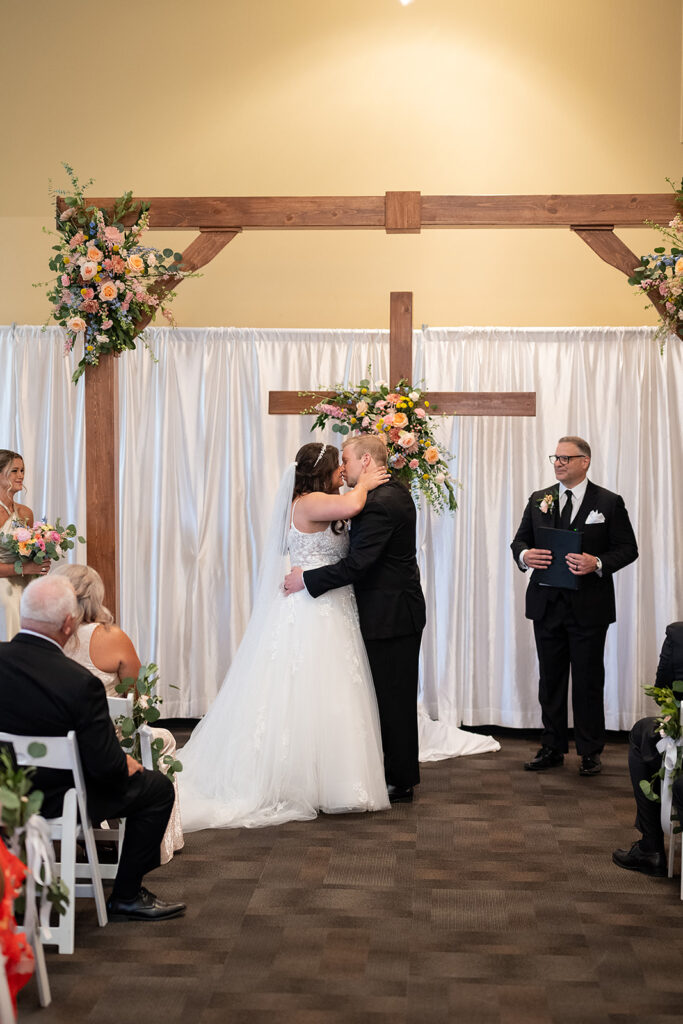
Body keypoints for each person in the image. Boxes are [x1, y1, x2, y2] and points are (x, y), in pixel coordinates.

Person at [178, 442, 391, 831]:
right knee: (305, 688)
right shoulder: (308, 502)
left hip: (332, 603)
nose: (343, 472)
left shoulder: (322, 498)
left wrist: (354, 484)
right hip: (311, 609)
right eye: (338, 466)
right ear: (322, 471)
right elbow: (352, 507)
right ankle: (298, 779)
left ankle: (333, 777)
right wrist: (366, 482)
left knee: (333, 691)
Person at [0, 575, 185, 922]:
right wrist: (124, 764)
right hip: (59, 796)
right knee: (157, 789)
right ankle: (127, 896)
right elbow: (105, 768)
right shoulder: (78, 683)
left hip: (7, 791)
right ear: (68, 624)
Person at [284, 434, 426, 804]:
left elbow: (359, 564)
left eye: (346, 459)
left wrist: (307, 579)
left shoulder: (380, 502)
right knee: (377, 695)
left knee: (393, 697)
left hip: (391, 614)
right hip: (378, 610)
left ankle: (400, 778)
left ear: (365, 461)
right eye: (338, 463)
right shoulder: (377, 494)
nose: (342, 467)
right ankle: (385, 769)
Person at [511, 435, 638, 776]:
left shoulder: (608, 503)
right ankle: (552, 746)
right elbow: (519, 540)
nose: (559, 463)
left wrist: (596, 562)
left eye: (567, 458)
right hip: (547, 604)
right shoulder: (540, 499)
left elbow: (628, 549)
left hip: (588, 607)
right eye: (556, 457)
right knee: (550, 680)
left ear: (585, 462)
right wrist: (525, 555)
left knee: (587, 680)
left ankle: (590, 751)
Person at [52, 562, 184, 864]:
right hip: (106, 745)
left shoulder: (49, 636)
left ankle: (92, 831)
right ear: (96, 597)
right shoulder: (111, 637)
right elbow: (137, 690)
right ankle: (159, 842)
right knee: (162, 739)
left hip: (56, 747)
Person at [612, 621, 683, 876]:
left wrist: (676, 716)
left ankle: (651, 848)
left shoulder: (678, 635)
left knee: (643, 732)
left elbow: (662, 688)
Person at [0, 450, 50, 641]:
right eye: (14, 471)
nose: (21, 475)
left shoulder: (25, 513)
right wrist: (25, 567)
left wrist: (40, 560)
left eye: (22, 470)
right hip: (3, 587)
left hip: (27, 584)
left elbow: (29, 552)